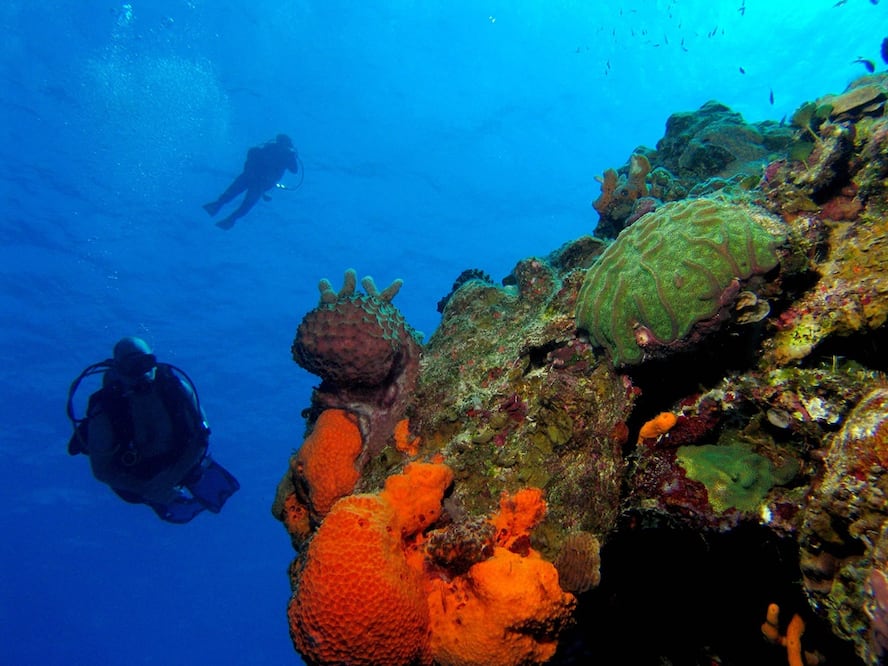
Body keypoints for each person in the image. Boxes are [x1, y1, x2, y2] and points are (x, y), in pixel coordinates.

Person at [66, 337, 239, 524]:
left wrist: (171, 478)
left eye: (145, 362)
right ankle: (165, 498)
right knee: (157, 498)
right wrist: (147, 489)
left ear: (154, 362)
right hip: (140, 478)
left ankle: (185, 485)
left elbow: (202, 435)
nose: (141, 373)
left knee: (209, 485)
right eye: (130, 366)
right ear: (118, 370)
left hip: (184, 461)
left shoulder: (175, 388)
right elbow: (102, 471)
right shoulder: (106, 412)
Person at [203, 133, 300, 230]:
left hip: (251, 177)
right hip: (259, 182)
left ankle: (220, 208)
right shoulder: (285, 154)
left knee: (236, 195)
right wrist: (293, 156)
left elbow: (294, 170)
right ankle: (228, 217)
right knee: (246, 203)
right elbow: (294, 170)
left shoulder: (272, 149)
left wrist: (292, 156)